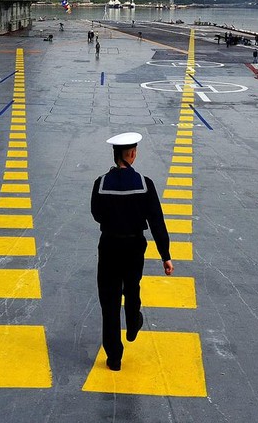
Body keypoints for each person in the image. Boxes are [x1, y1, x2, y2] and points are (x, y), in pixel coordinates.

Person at [91, 132, 174, 371]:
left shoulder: (101, 183)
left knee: (109, 301)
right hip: (134, 246)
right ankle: (133, 320)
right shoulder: (145, 184)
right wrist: (165, 255)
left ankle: (114, 358)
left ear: (116, 155)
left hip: (109, 246)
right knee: (132, 286)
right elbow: (157, 222)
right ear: (132, 154)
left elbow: (96, 214)